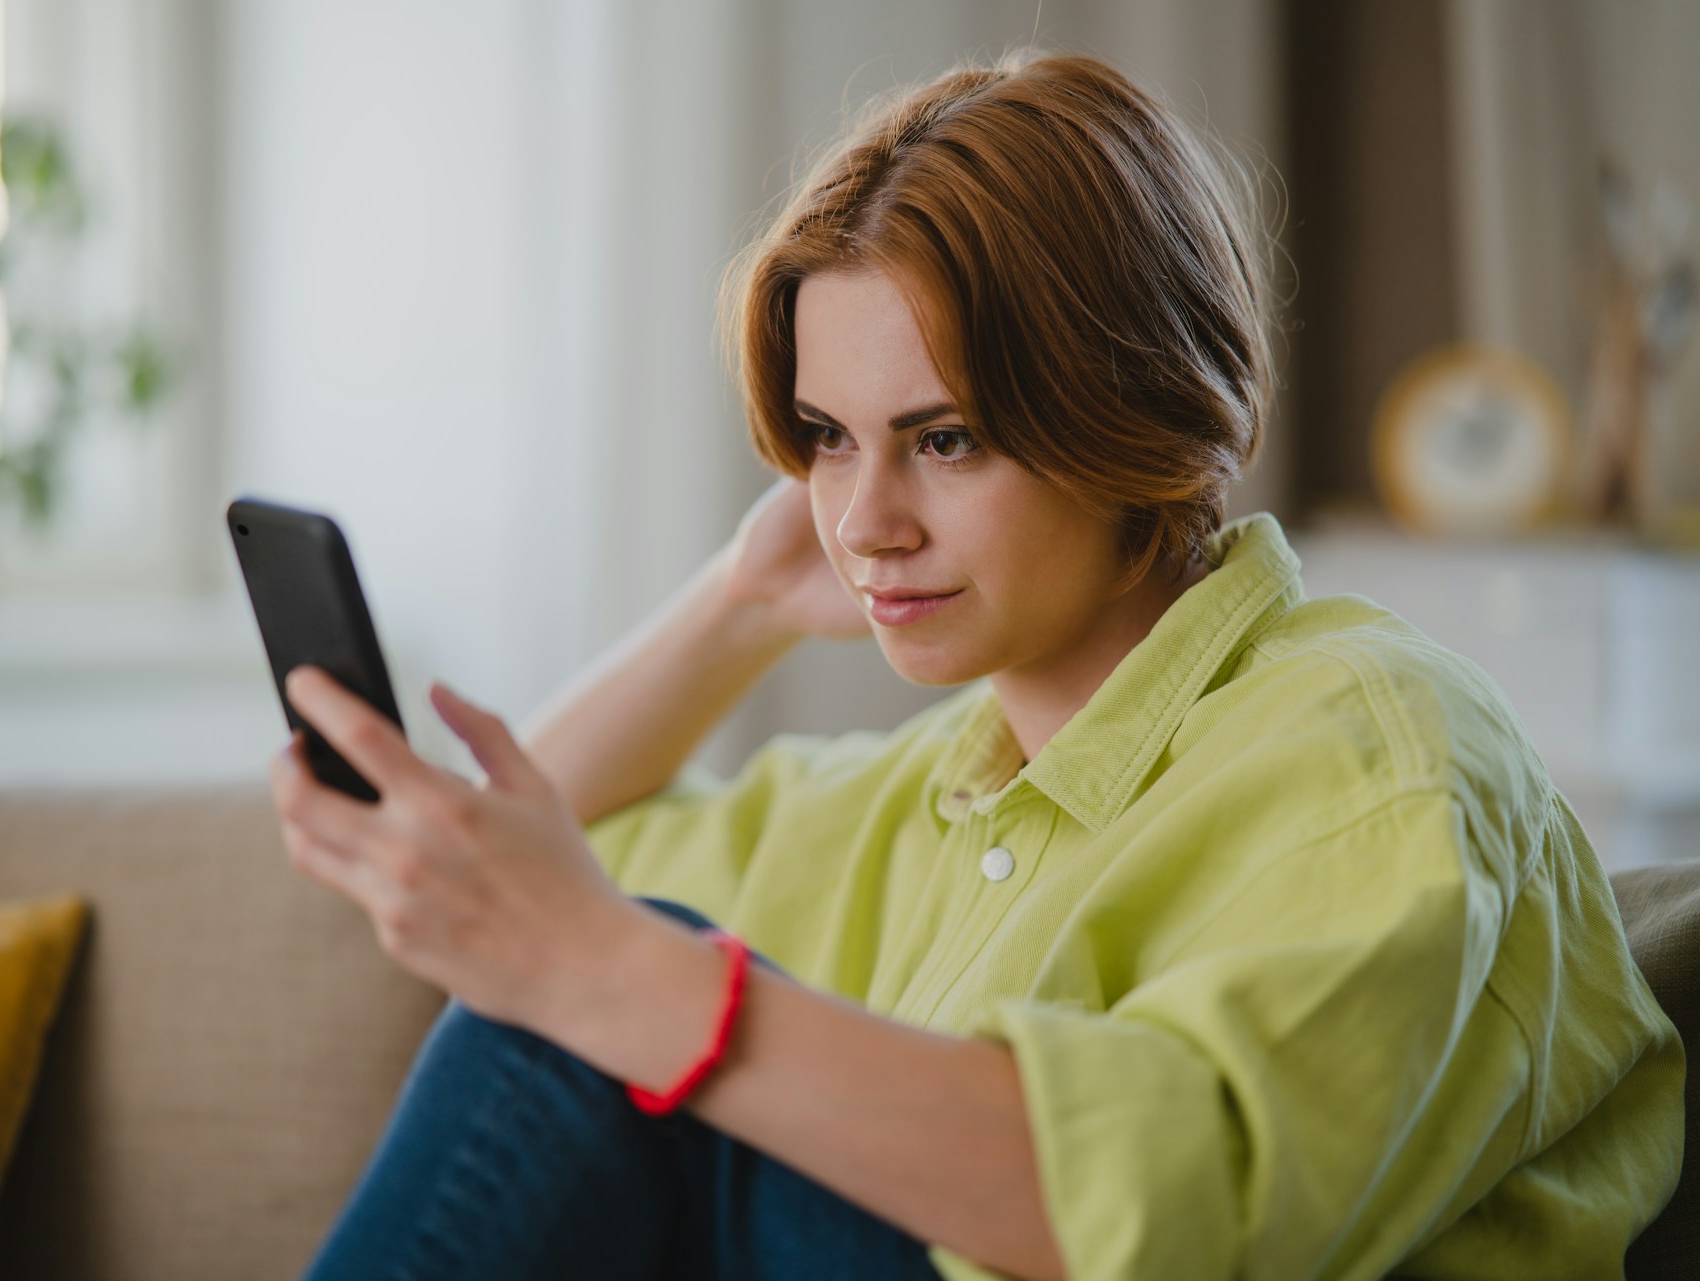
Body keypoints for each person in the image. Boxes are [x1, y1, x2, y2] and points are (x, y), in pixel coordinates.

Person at [266, 47, 1684, 1281]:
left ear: (1135, 410)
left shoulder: (1371, 739)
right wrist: (740, 602)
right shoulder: (940, 794)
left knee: (582, 1026)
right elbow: (530, 869)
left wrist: (619, 974)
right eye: (828, 436)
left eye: (944, 438)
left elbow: (1179, 1216)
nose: (865, 522)